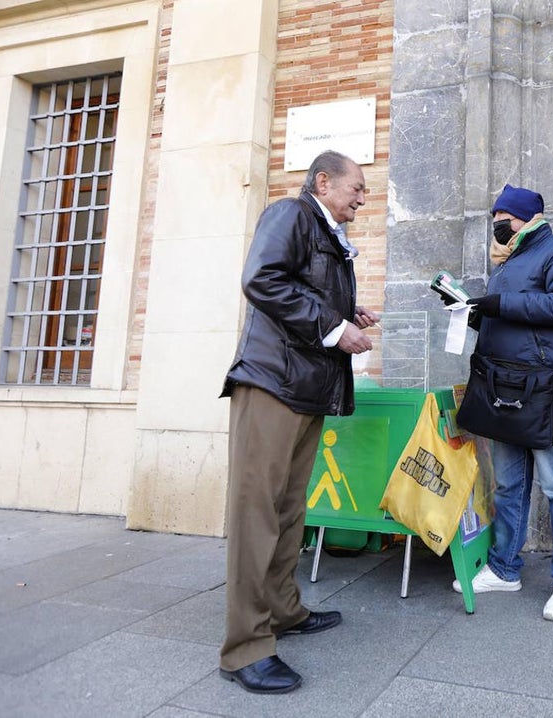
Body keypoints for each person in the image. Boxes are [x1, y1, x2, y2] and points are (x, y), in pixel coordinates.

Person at [218, 150, 379, 693]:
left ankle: (284, 611)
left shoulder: (326, 230)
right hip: (271, 384)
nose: (363, 196)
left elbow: (301, 292)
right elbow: (263, 280)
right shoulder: (291, 214)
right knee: (257, 514)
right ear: (324, 180)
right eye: (357, 186)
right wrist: (336, 328)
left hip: (303, 389)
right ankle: (245, 649)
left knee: (289, 510)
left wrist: (346, 312)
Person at [450, 184, 553, 621]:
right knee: (509, 485)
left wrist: (501, 302)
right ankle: (504, 568)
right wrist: (473, 311)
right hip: (502, 387)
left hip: (544, 391)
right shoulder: (509, 261)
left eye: (502, 218)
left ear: (526, 218)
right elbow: (512, 319)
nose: (497, 225)